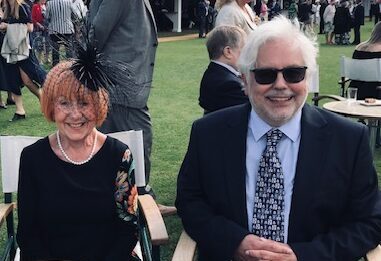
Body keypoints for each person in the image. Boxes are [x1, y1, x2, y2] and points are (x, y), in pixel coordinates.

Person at [176, 16, 381, 261]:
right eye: (266, 75)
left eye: (294, 73)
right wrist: (234, 242)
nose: (281, 85)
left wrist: (302, 256)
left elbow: (368, 222)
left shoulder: (348, 140)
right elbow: (190, 201)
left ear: (308, 77)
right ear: (245, 79)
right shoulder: (208, 133)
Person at [16, 59, 139, 260]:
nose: (75, 114)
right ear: (51, 107)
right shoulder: (32, 158)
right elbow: (28, 234)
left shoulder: (119, 155)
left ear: (99, 105)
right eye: (64, 103)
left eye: (84, 102)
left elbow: (128, 228)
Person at [87, 0, 176, 215]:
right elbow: (96, 34)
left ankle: (139, 201)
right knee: (136, 146)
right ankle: (141, 204)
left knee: (130, 147)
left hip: (124, 90)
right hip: (119, 90)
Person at [0, 0, 46, 121]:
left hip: (23, 48)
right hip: (11, 48)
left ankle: (48, 97)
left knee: (32, 77)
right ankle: (20, 111)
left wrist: (8, 27)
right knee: (13, 78)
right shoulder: (7, 8)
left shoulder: (22, 6)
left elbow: (30, 27)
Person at [199, 25, 248, 114]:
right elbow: (256, 110)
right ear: (228, 52)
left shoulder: (214, 73)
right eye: (244, 50)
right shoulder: (229, 84)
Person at [45, 0, 75, 66]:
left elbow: (46, 16)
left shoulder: (50, 3)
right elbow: (74, 14)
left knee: (55, 51)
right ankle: (70, 66)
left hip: (54, 30)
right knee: (69, 51)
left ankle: (56, 67)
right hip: (68, 29)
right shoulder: (69, 2)